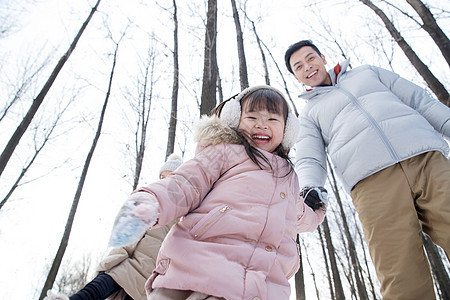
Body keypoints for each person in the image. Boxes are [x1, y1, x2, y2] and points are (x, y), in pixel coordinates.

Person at [107, 85, 327, 300]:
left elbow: (298, 215)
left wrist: (315, 213)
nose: (262, 125)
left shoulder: (289, 177)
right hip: (197, 265)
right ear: (235, 120)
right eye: (252, 118)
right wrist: (151, 203)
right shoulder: (224, 154)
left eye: (272, 119)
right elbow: (186, 183)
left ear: (287, 130)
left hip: (262, 283)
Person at [284, 39, 450, 300]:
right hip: (372, 184)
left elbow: (421, 101)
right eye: (299, 66)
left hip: (426, 159)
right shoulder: (309, 114)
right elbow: (310, 158)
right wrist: (310, 188)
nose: (308, 66)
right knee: (399, 269)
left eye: (310, 58)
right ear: (296, 77)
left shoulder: (367, 73)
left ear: (323, 58)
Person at [45, 154, 183, 300]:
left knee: (98, 288)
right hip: (130, 266)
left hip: (152, 280)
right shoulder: (152, 203)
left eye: (170, 177)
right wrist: (111, 261)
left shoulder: (184, 215)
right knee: (93, 290)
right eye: (162, 177)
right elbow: (130, 237)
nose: (164, 181)